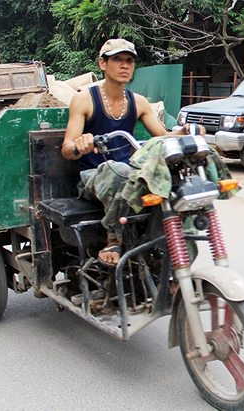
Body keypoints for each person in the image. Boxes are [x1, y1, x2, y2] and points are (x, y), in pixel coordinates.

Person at [62, 38, 195, 266]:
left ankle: (173, 261)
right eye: (117, 60)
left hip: (131, 175)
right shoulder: (84, 99)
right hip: (95, 176)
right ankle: (113, 239)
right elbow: (67, 148)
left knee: (177, 183)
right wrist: (79, 145)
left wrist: (185, 131)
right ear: (102, 64)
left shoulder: (139, 102)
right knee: (118, 170)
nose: (125, 65)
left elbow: (161, 137)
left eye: (130, 61)